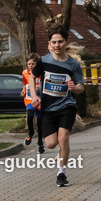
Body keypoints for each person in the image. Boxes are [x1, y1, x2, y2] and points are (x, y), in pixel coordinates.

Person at [30, 26, 85, 187]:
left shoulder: (73, 64)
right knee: (51, 144)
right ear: (50, 43)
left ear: (65, 42)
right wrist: (34, 96)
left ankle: (62, 173)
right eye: (53, 42)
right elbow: (32, 78)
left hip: (67, 105)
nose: (57, 45)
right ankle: (62, 152)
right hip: (48, 107)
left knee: (63, 138)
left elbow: (81, 86)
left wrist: (75, 87)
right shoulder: (44, 61)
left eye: (60, 41)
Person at [21, 54, 44, 152]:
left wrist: (40, 88)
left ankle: (40, 144)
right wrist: (23, 90)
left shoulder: (41, 73)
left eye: (33, 64)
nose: (30, 66)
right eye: (29, 64)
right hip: (29, 99)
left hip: (40, 101)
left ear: (37, 64)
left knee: (40, 124)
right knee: (30, 116)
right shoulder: (25, 73)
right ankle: (31, 132)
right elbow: (25, 83)